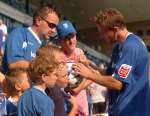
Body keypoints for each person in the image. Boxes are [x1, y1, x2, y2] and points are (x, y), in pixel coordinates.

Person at [73, 8, 150, 116]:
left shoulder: (132, 46)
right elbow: (109, 74)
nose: (101, 36)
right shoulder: (118, 47)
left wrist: (89, 74)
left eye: (103, 32)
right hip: (119, 110)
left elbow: (117, 83)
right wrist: (90, 66)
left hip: (132, 111)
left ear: (115, 29)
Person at [2, 5, 60, 73]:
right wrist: (44, 66)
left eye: (55, 27)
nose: (54, 30)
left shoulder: (45, 46)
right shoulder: (19, 34)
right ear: (38, 21)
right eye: (51, 25)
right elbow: (13, 64)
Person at [57, 20, 91, 116]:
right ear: (60, 41)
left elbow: (91, 76)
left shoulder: (79, 52)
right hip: (67, 107)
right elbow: (71, 89)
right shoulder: (57, 57)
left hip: (82, 106)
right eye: (67, 38)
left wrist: (80, 87)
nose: (71, 41)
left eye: (73, 36)